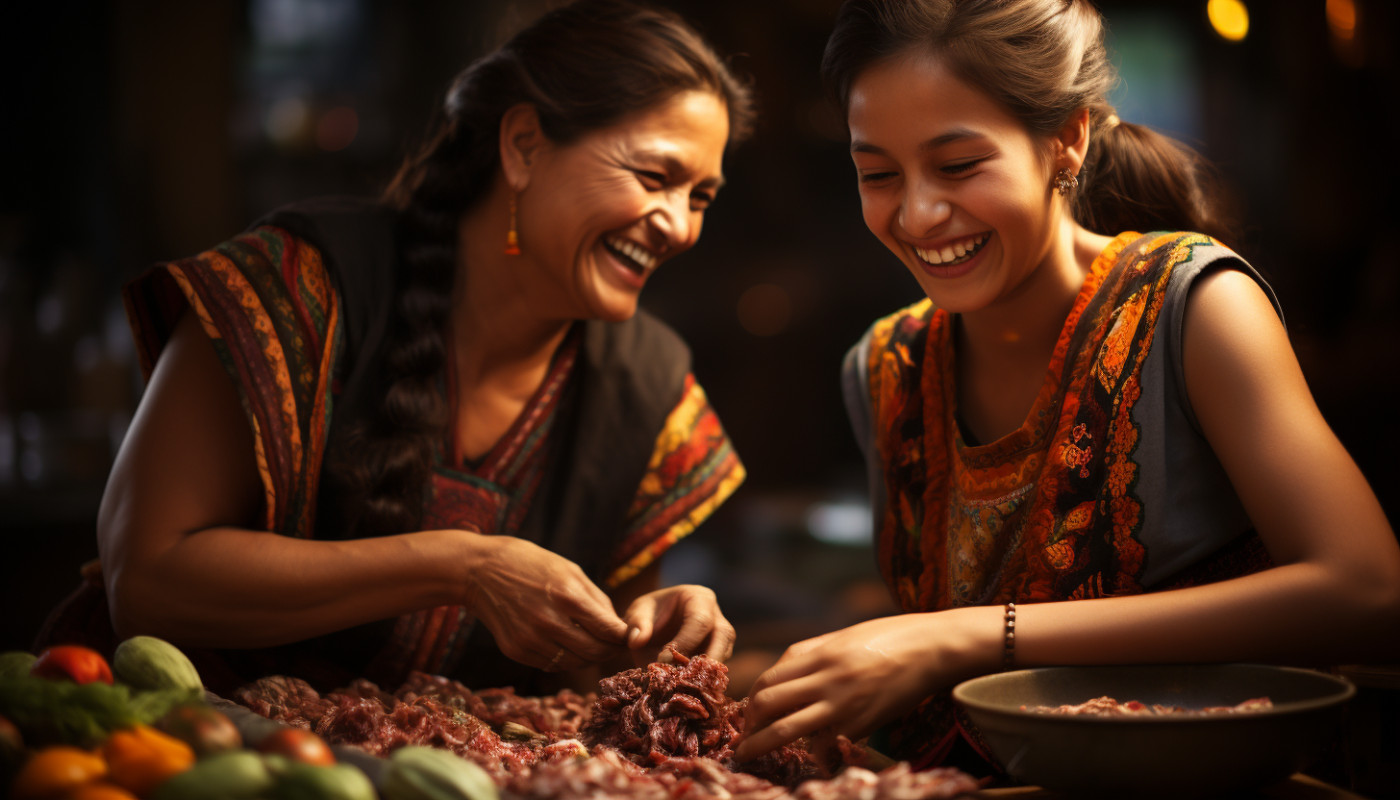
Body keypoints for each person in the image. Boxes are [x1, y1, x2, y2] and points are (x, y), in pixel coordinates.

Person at [733, 0, 1400, 773]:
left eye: (958, 165)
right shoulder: (887, 366)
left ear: (1066, 139)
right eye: (878, 175)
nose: (917, 213)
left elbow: (1370, 593)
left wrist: (967, 636)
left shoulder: (1192, 305)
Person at [41, 0, 756, 696]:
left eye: (701, 197)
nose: (680, 226)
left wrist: (656, 637)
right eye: (655, 177)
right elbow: (147, 580)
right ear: (524, 146)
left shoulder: (654, 393)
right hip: (160, 739)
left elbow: (594, 683)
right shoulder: (295, 290)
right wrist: (462, 566)